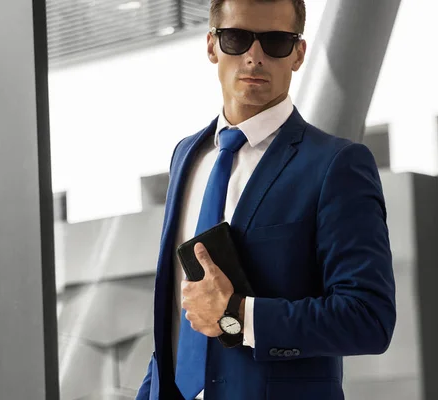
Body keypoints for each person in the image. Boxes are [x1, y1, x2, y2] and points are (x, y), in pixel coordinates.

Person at [135, 0, 396, 399]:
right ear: (211, 46)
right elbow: (174, 318)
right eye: (236, 38)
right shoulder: (187, 156)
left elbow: (368, 319)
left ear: (298, 54)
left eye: (275, 42)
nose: (254, 57)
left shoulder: (335, 165)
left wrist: (237, 314)